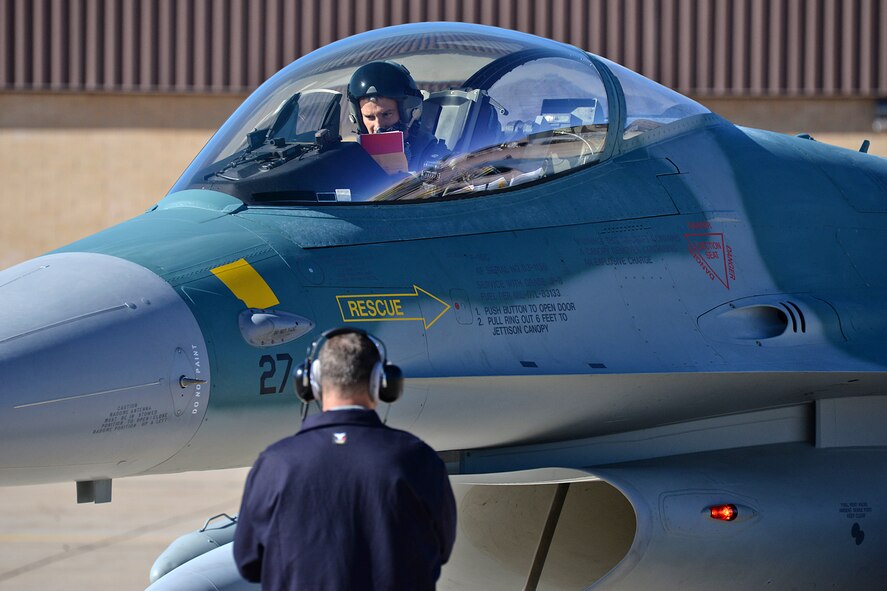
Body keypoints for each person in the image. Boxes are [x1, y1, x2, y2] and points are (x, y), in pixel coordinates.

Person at [233, 327, 457, 591]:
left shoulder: (275, 464)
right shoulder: (417, 459)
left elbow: (248, 562)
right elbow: (441, 550)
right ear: (381, 383)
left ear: (311, 383)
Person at [347, 61, 448, 171]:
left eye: (386, 114)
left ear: (410, 113)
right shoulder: (354, 160)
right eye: (369, 117)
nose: (378, 126)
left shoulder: (432, 157)